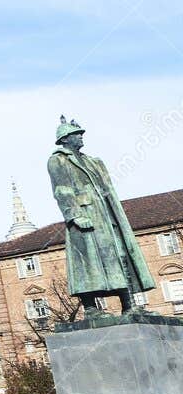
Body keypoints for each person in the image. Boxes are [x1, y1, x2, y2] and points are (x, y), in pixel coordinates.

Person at [47, 117, 154, 317]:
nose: (80, 136)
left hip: (106, 215)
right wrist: (75, 215)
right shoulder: (58, 160)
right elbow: (61, 190)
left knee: (120, 255)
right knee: (87, 261)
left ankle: (128, 304)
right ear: (65, 139)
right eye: (76, 134)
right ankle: (90, 309)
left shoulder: (93, 161)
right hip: (84, 215)